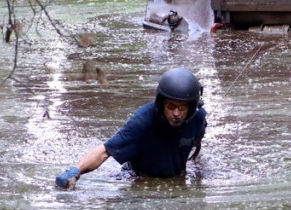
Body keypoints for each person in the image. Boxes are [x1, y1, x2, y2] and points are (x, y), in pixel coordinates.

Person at [55, 68, 207, 189]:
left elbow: (197, 139)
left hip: (176, 177)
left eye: (182, 108)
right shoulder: (142, 123)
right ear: (162, 103)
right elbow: (104, 151)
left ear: (191, 107)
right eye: (171, 106)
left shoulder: (198, 118)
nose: (176, 113)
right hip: (139, 179)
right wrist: (75, 172)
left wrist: (196, 167)